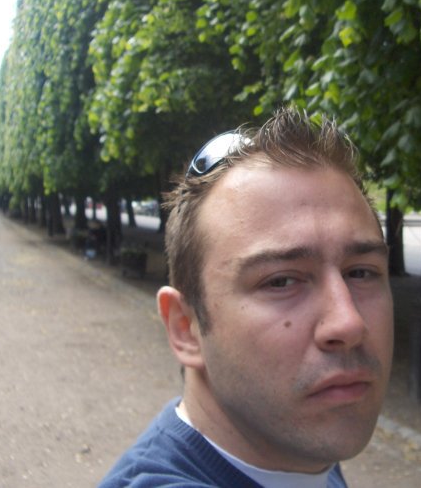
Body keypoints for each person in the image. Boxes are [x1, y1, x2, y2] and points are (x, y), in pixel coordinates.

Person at [99, 108, 395, 487]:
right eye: (281, 281)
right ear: (185, 328)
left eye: (361, 272)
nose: (349, 323)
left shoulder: (297, 455)